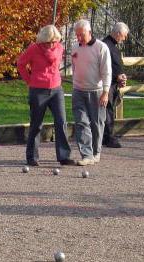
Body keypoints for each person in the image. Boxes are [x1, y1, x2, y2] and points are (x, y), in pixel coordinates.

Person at [16, 25, 73, 166]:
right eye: (49, 42)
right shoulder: (34, 49)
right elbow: (21, 64)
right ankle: (32, 157)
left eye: (55, 41)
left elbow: (54, 61)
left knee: (61, 122)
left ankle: (64, 156)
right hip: (38, 90)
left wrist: (52, 48)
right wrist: (30, 81)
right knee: (36, 125)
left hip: (56, 89)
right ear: (43, 40)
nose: (52, 44)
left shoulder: (59, 48)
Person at [70, 19, 112, 166]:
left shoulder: (101, 47)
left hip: (96, 90)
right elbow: (74, 67)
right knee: (81, 122)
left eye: (81, 35)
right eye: (77, 35)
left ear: (89, 32)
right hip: (78, 90)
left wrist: (106, 92)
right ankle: (86, 154)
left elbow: (107, 72)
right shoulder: (75, 47)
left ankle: (96, 152)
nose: (79, 38)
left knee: (97, 123)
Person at [102, 22, 129, 149]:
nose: (124, 38)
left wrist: (121, 76)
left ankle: (105, 136)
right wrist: (117, 76)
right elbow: (105, 67)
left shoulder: (110, 45)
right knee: (108, 110)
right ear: (118, 33)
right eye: (124, 36)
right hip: (107, 83)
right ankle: (108, 137)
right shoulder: (106, 45)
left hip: (113, 82)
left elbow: (115, 64)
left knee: (108, 109)